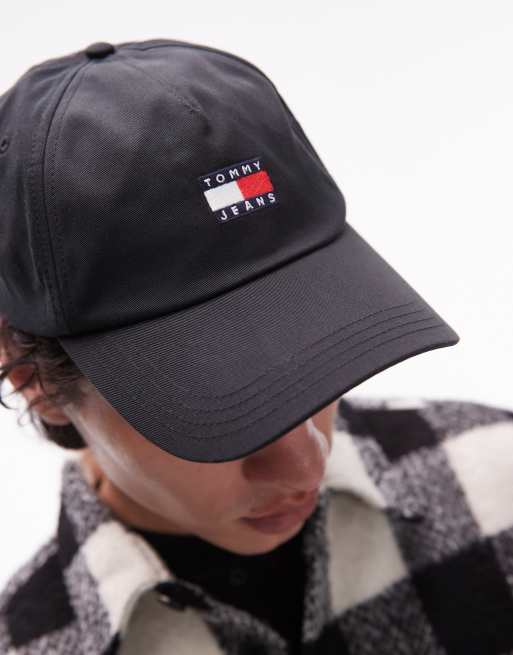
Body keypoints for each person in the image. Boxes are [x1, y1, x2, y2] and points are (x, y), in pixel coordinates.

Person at [0, 38, 513, 655]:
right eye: (220, 400)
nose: (306, 464)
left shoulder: (501, 482)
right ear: (35, 381)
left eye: (314, 346)